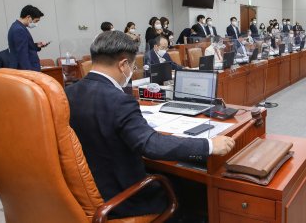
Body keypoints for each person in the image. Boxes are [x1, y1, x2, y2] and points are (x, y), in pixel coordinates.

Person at [65, 31, 235, 219]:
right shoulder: (120, 101)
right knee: (191, 186)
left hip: (82, 194)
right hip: (123, 198)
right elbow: (151, 145)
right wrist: (209, 145)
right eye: (132, 66)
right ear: (123, 65)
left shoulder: (67, 93)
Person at [7, 5, 49, 71]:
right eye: (36, 21)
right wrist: (30, 74)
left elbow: (24, 47)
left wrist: (37, 45)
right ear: (28, 17)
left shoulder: (17, 26)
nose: (36, 24)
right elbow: (22, 55)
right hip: (27, 71)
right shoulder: (19, 30)